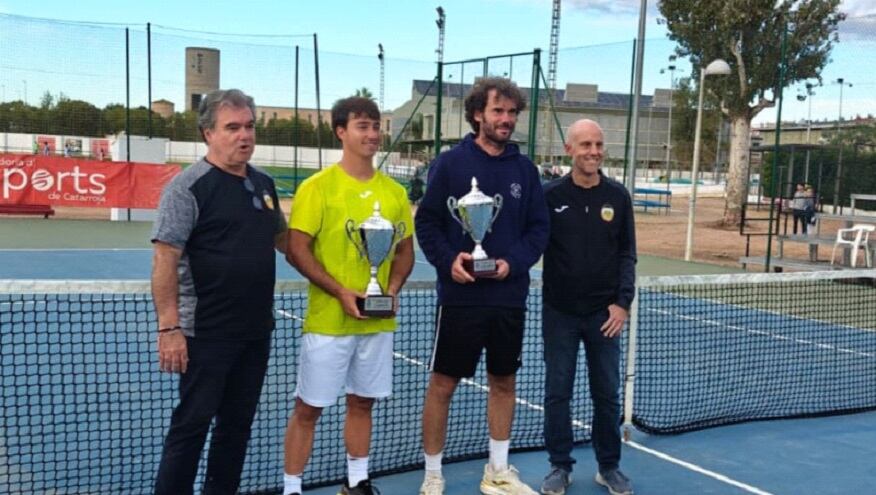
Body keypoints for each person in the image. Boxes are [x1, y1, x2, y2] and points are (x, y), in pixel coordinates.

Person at [415, 77, 550, 495]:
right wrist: (446, 260)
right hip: (460, 299)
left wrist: (514, 263)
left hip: (508, 298)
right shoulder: (451, 163)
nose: (506, 120)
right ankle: (433, 474)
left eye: (512, 113)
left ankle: (497, 471)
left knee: (504, 382)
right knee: (443, 383)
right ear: (478, 114)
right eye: (498, 111)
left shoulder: (525, 170)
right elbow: (428, 221)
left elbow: (538, 228)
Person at [151, 89, 288, 495]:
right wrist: (169, 328)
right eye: (232, 127)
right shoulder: (187, 189)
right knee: (191, 427)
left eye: (249, 126)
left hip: (255, 332)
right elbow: (165, 259)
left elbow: (284, 241)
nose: (244, 135)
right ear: (207, 133)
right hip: (205, 334)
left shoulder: (263, 184)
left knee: (236, 428)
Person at [282, 96, 415, 495]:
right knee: (309, 408)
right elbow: (296, 249)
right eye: (362, 126)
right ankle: (291, 488)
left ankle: (356, 482)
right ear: (341, 132)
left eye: (376, 126)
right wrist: (340, 292)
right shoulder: (316, 188)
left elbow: (406, 251)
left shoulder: (394, 193)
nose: (372, 134)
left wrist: (389, 291)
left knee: (362, 403)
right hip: (328, 323)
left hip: (377, 322)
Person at [540, 119, 636, 495]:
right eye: (585, 145)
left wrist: (622, 304)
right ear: (569, 150)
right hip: (559, 313)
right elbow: (531, 243)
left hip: (604, 316)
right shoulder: (549, 196)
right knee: (557, 393)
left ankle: (608, 467)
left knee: (607, 394)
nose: (593, 151)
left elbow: (627, 253)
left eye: (598, 144)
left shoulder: (618, 196)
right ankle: (559, 467)